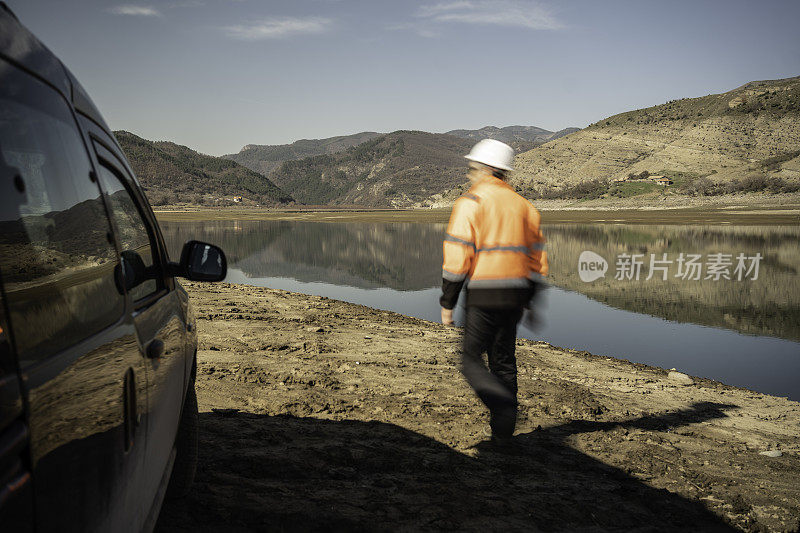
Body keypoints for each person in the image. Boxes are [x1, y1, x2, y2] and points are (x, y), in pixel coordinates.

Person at [439, 139, 548, 444]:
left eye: (472, 169)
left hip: (484, 294)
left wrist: (447, 302)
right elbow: (537, 259)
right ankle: (503, 435)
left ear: (487, 169)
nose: (469, 175)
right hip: (515, 295)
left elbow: (458, 256)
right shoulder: (525, 207)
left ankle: (503, 407)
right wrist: (532, 302)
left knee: (471, 361)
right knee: (503, 362)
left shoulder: (471, 203)